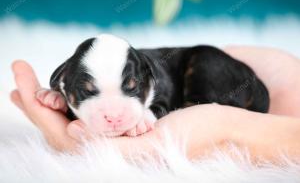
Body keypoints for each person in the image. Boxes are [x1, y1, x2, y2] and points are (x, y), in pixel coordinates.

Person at [10, 46, 300, 162]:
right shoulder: (80, 74)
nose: (112, 113)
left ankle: (205, 104)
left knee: (204, 64)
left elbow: (159, 98)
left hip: (218, 73)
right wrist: (60, 99)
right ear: (62, 79)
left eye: (131, 91)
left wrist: (151, 112)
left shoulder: (149, 70)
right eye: (88, 93)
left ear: (146, 79)